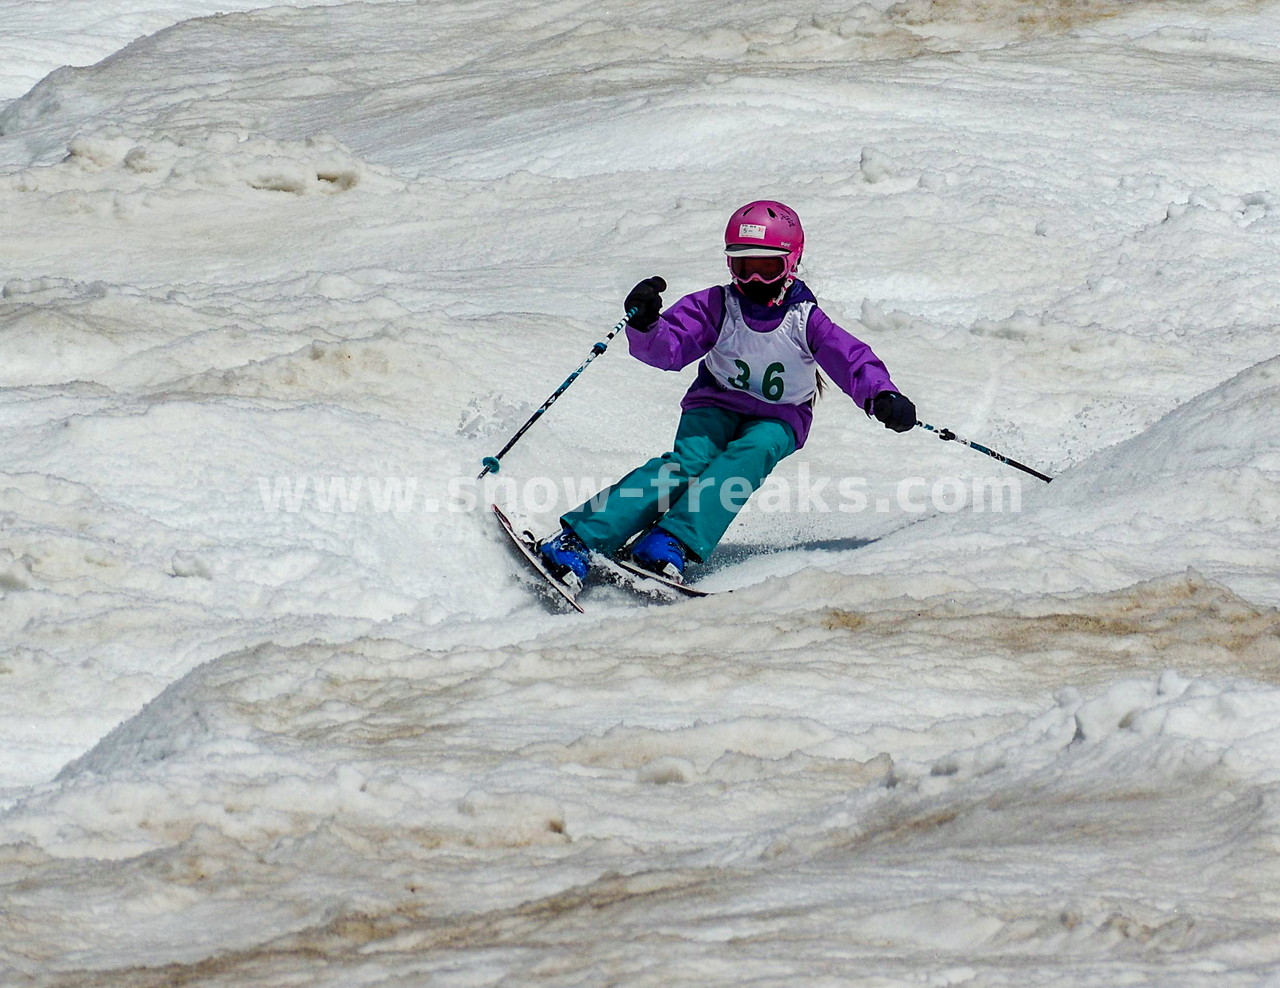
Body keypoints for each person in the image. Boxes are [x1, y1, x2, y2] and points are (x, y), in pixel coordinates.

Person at [539, 199, 916, 587]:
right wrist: (648, 323)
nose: (753, 281)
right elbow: (670, 348)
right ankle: (580, 538)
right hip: (715, 401)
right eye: (742, 266)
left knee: (748, 457)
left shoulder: (806, 320)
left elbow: (851, 360)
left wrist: (881, 396)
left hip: (779, 416)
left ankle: (672, 539)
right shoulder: (719, 305)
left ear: (791, 263)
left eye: (766, 268)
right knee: (686, 465)